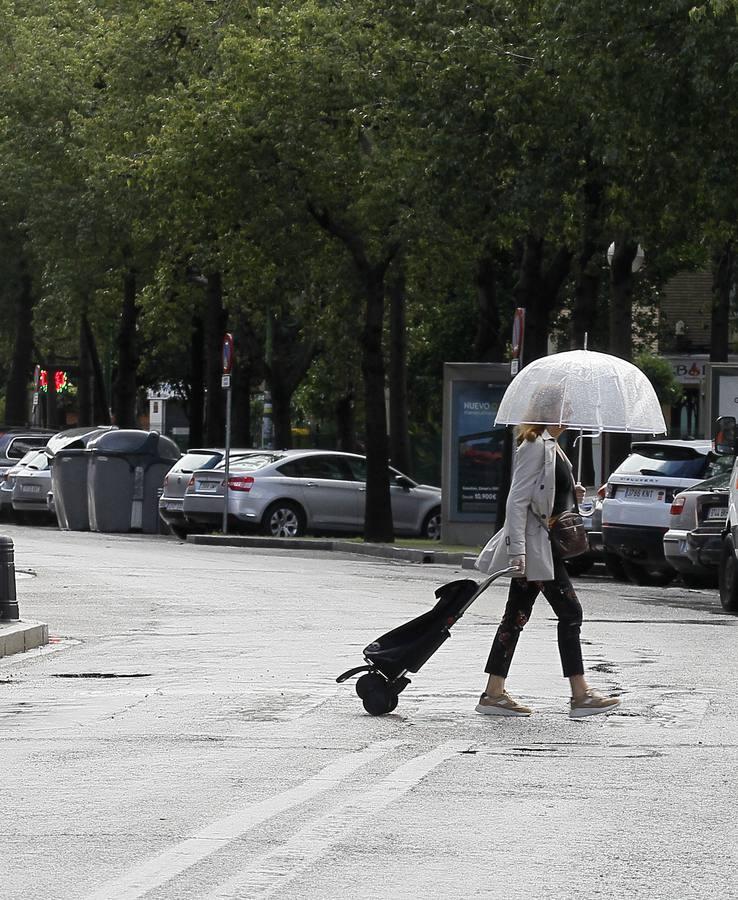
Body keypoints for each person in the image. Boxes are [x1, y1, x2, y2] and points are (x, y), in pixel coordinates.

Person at [475, 385, 620, 719]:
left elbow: (548, 494)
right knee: (570, 613)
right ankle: (580, 694)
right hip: (536, 547)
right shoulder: (534, 444)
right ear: (548, 410)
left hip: (544, 543)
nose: (569, 415)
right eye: (564, 408)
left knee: (515, 617)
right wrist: (517, 551)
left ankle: (493, 693)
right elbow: (517, 499)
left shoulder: (554, 446)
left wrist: (574, 493)